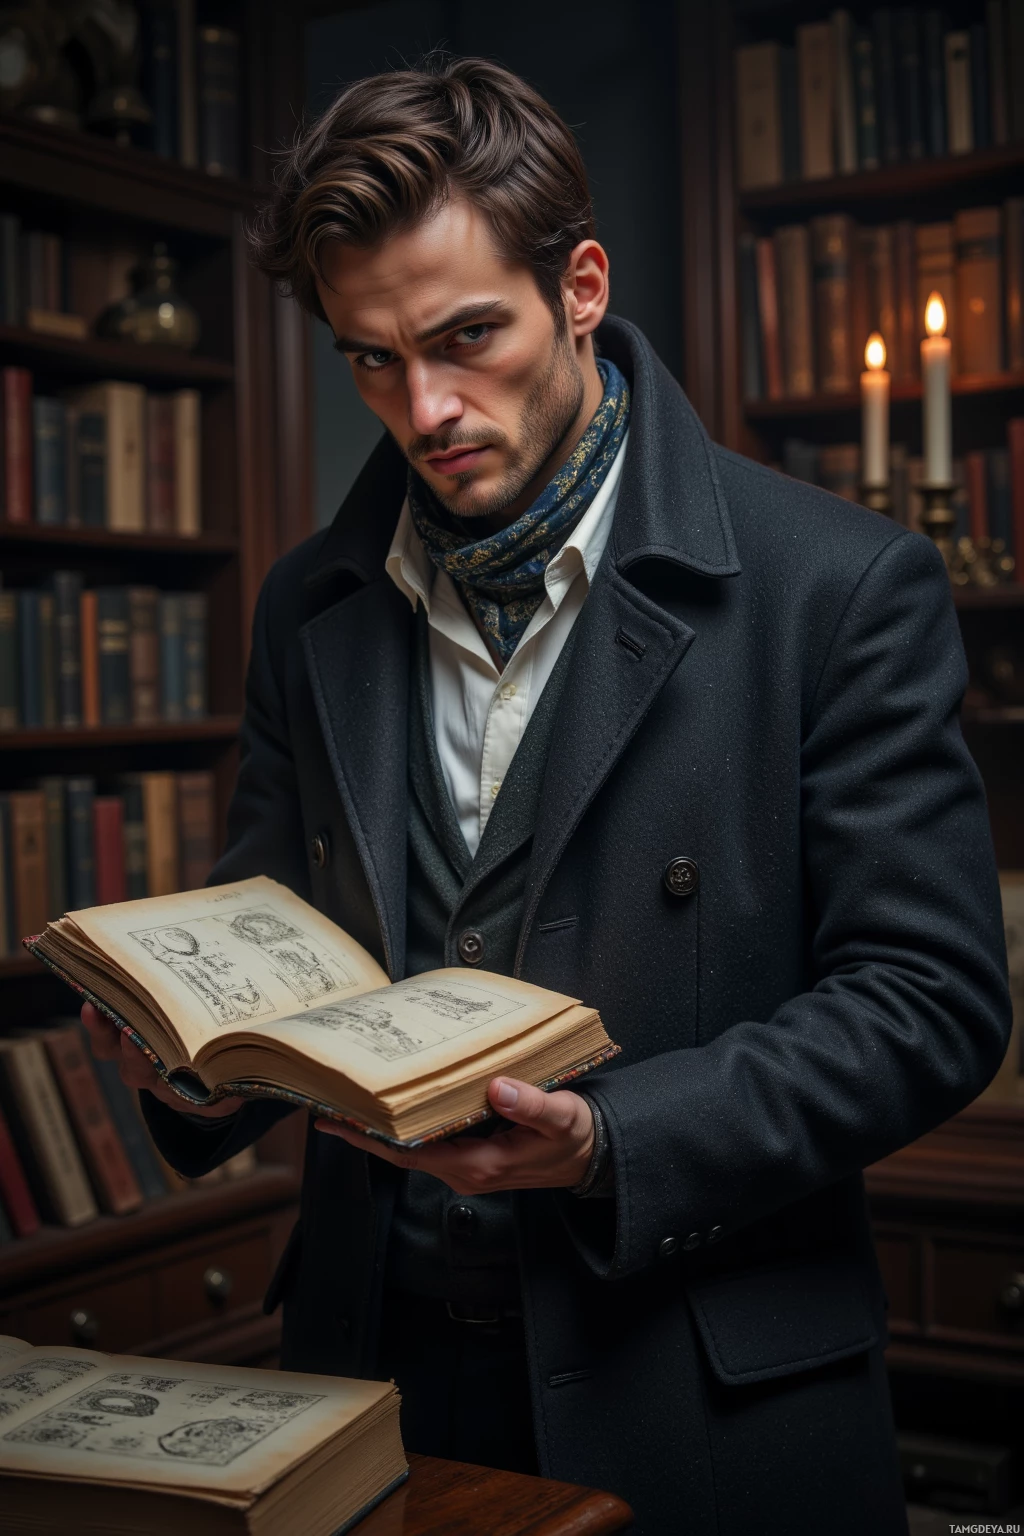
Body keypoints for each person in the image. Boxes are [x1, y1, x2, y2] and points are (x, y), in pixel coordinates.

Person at [81, 56, 1011, 1535]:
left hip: (693, 1373)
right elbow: (279, 942)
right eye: (371, 359)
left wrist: (611, 1141)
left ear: (580, 285)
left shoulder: (835, 587)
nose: (426, 407)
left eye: (467, 337)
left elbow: (931, 1002)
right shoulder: (308, 601)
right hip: (372, 1367)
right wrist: (188, 1060)